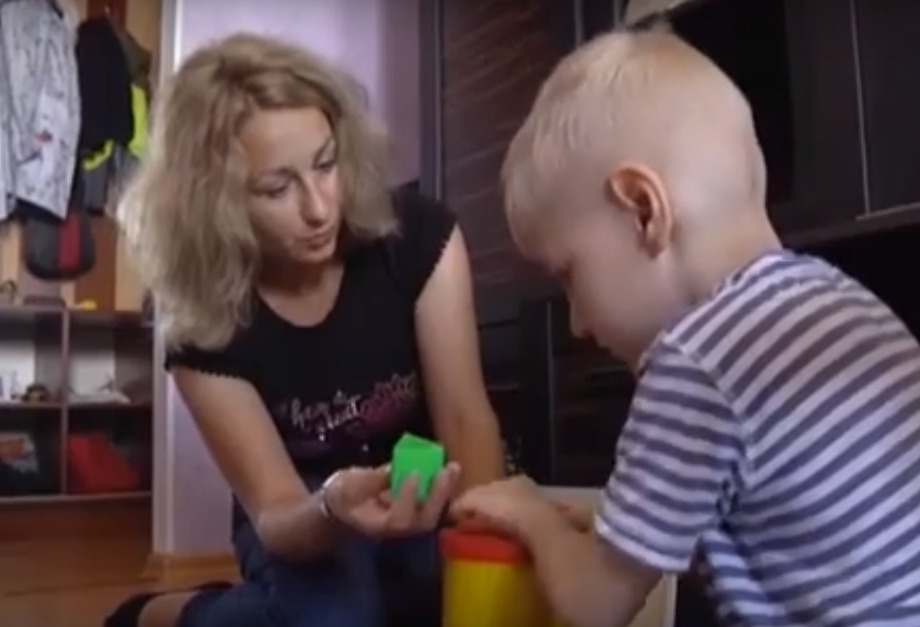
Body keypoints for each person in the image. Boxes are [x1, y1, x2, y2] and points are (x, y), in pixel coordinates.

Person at [451, 27, 920, 627]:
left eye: (570, 274)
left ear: (644, 210)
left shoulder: (696, 364)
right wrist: (618, 530)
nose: (578, 323)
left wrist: (534, 514)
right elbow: (795, 538)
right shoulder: (838, 298)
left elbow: (594, 607)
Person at [107, 33, 506, 627]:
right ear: (215, 202)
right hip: (305, 511)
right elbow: (277, 511)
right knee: (338, 618)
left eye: (326, 164)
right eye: (277, 188)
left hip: (422, 491)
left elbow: (467, 419)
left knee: (438, 598)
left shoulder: (419, 237)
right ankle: (167, 615)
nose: (320, 209)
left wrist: (477, 564)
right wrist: (332, 509)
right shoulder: (200, 320)